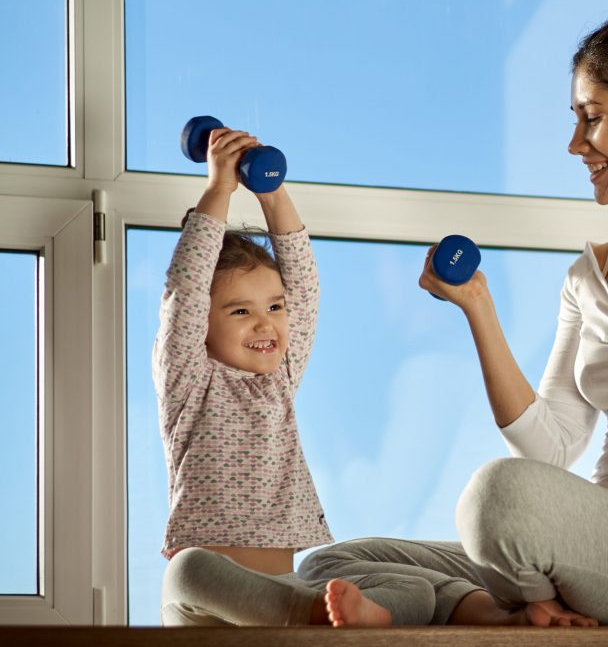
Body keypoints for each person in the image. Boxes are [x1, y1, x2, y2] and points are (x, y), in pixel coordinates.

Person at [299, 0, 608, 627]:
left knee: (498, 498)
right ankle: (502, 612)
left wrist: (585, 517)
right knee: (334, 562)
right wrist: (478, 307)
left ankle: (512, 601)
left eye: (592, 117)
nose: (575, 143)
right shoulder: (588, 276)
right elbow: (552, 446)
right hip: (586, 540)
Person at [155, 127, 435, 627]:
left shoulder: (279, 379)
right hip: (214, 608)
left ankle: (327, 613)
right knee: (188, 568)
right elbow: (187, 287)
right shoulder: (189, 380)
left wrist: (272, 191)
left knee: (410, 587)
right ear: (203, 325)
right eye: (240, 311)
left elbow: (304, 283)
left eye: (275, 307)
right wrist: (220, 188)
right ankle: (310, 614)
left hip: (285, 599)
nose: (266, 323)